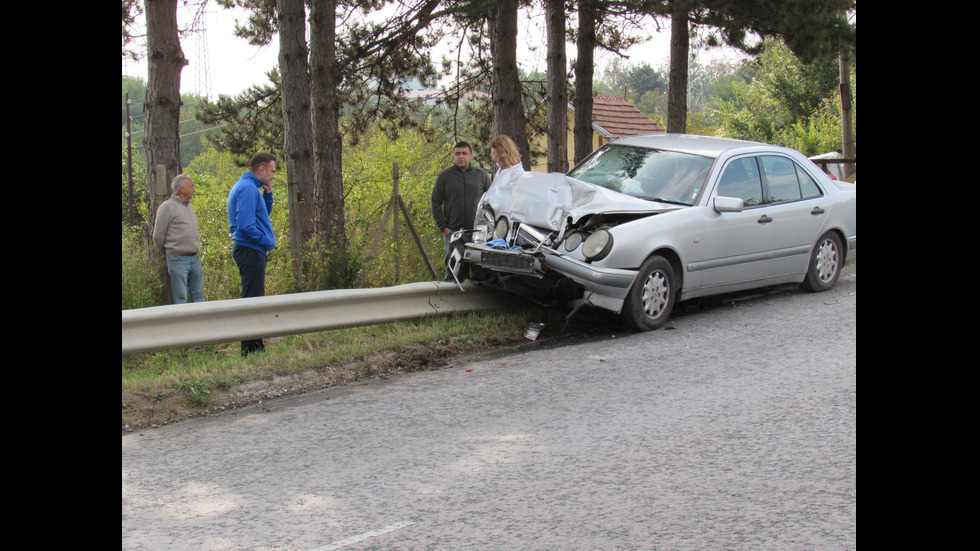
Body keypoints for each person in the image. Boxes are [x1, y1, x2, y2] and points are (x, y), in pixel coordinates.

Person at [227, 152, 277, 356]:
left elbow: (261, 215)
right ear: (261, 169)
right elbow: (246, 226)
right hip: (250, 250)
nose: (274, 176)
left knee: (255, 298)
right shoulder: (247, 189)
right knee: (252, 300)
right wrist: (267, 242)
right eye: (272, 171)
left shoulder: (250, 188)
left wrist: (268, 195)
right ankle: (250, 348)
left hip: (251, 249)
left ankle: (255, 344)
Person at [430, 141, 491, 282]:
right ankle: (450, 299)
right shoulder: (444, 176)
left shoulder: (481, 175)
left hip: (478, 233)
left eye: (464, 153)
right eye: (458, 153)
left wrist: (487, 228)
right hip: (454, 232)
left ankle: (478, 300)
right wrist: (443, 227)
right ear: (454, 156)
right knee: (453, 267)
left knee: (479, 269)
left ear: (470, 155)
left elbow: (491, 201)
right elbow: (435, 202)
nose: (461, 156)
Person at [152, 174, 204, 304]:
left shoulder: (188, 206)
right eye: (191, 186)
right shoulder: (167, 207)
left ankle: (198, 323)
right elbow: (158, 236)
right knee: (181, 297)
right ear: (182, 188)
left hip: (194, 257)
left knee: (198, 296)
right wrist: (165, 252)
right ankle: (183, 323)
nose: (194, 190)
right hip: (178, 258)